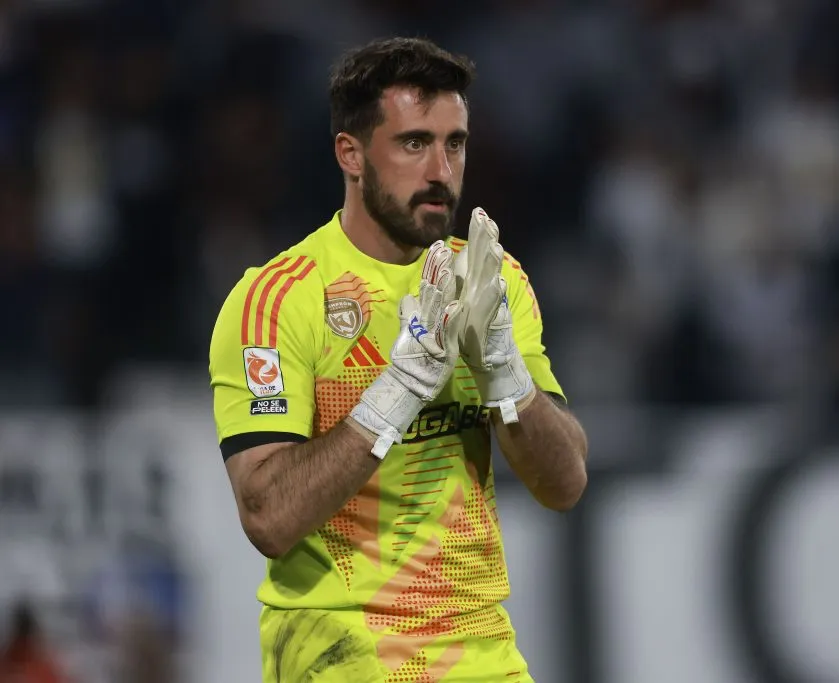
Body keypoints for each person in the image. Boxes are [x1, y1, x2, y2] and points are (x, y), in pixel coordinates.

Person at [208, 37, 588, 682]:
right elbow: (268, 517)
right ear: (350, 154)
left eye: (455, 143)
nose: (441, 169)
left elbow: (565, 483)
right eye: (414, 143)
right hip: (342, 655)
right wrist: (400, 387)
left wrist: (503, 370)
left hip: (484, 656)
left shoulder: (490, 280)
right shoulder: (278, 300)